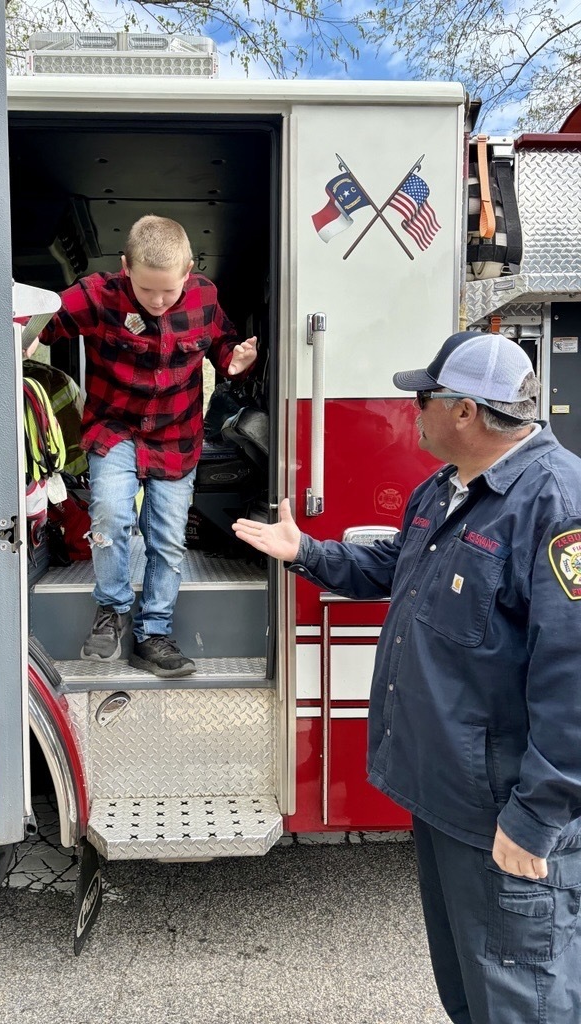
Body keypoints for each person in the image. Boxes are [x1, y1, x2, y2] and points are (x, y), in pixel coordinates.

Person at [233, 330, 581, 1024]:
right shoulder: (447, 488)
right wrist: (306, 552)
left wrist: (535, 819)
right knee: (469, 995)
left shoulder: (557, 505)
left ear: (466, 411)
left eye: (424, 398)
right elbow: (396, 566)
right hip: (447, 801)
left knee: (522, 1002)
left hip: (503, 816)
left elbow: (573, 686)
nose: (411, 410)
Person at [40, 214, 257, 677]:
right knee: (110, 514)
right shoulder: (97, 295)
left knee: (168, 539)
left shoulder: (204, 297)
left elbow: (223, 344)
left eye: (169, 291)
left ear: (188, 272)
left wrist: (234, 360)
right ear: (125, 268)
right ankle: (111, 610)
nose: (158, 301)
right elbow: (46, 322)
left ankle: (153, 634)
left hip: (176, 436)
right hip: (114, 429)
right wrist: (19, 337)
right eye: (146, 290)